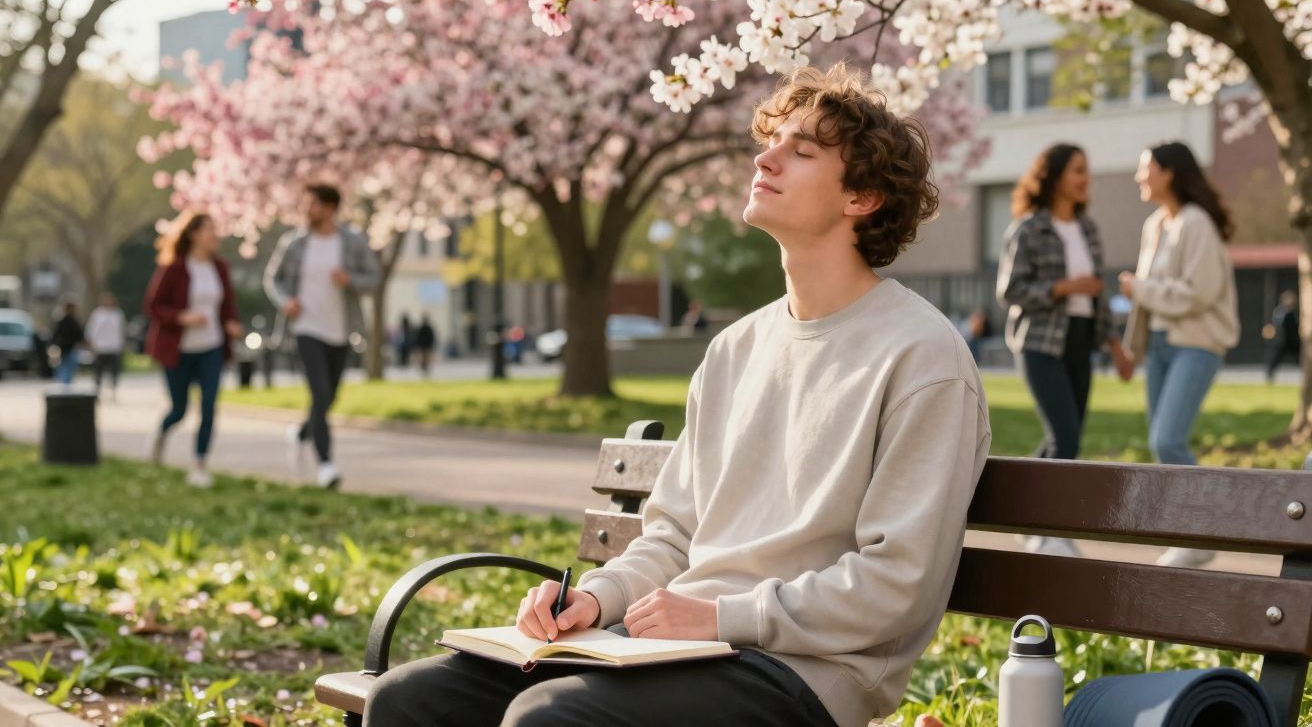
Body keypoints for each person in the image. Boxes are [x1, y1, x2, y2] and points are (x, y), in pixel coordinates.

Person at [364, 63, 991, 727]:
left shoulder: (921, 356)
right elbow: (675, 537)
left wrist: (722, 615)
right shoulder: (735, 349)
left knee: (549, 719)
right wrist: (597, 600)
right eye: (771, 141)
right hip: (674, 647)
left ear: (861, 198)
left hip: (801, 675)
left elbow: (897, 584)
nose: (765, 156)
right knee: (411, 700)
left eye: (800, 152)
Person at [995, 143, 1132, 558]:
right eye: (1077, 170)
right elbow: (1010, 291)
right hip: (1039, 342)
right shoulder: (1027, 229)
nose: (1085, 178)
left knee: (1064, 440)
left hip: (1080, 338)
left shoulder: (1087, 229)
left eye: (1086, 170)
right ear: (1054, 176)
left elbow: (1100, 295)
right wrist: (1063, 288)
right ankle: (1050, 533)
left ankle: (1020, 516)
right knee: (1066, 438)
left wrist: (1116, 347)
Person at [1119, 142, 1240, 568]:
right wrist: (1131, 348)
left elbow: (1198, 293)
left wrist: (1140, 288)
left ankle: (1202, 533)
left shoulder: (1196, 223)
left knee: (1167, 439)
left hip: (1197, 344)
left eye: (1145, 168)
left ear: (1168, 173)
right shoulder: (1155, 225)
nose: (1139, 177)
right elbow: (1147, 302)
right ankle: (1186, 535)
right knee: (1163, 445)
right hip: (1163, 346)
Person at [264, 183, 380, 490]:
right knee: (319, 392)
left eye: (313, 204)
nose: (307, 210)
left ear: (330, 208)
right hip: (305, 329)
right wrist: (286, 300)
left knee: (329, 397)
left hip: (341, 331)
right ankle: (326, 465)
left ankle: (301, 433)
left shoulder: (352, 243)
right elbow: (273, 280)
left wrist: (349, 280)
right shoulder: (294, 243)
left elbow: (373, 278)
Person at [143, 210, 242, 489]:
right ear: (194, 234)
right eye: (209, 229)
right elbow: (152, 306)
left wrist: (232, 323)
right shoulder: (174, 268)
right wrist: (181, 317)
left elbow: (228, 304)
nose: (214, 235)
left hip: (211, 346)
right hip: (178, 349)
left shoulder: (219, 268)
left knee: (209, 405)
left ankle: (199, 464)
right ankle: (161, 433)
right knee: (180, 409)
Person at [85, 292, 127, 400]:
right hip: (100, 347)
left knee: (114, 371)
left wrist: (122, 344)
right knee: (98, 371)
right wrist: (91, 343)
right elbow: (91, 330)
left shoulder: (118, 314)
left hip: (114, 347)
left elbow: (122, 330)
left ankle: (113, 389)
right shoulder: (97, 314)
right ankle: (97, 390)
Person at [1265, 290, 1299, 383]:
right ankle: (1269, 374)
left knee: (1300, 357)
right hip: (1283, 340)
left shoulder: (1291, 312)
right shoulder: (1281, 312)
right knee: (1276, 358)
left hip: (1292, 340)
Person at [50, 297, 85, 385]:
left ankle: (64, 386)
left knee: (64, 368)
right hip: (70, 348)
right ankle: (66, 386)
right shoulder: (73, 321)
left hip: (64, 348)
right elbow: (79, 335)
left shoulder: (62, 320)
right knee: (68, 368)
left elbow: (55, 335)